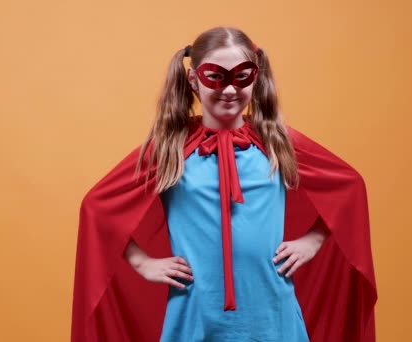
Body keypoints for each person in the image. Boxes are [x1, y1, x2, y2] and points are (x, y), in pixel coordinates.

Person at [71, 26, 377, 342]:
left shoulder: (276, 141)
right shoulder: (171, 147)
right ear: (193, 80)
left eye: (241, 76)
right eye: (216, 77)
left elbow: (348, 189)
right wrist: (142, 262)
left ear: (255, 79)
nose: (230, 90)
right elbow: (98, 208)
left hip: (272, 316)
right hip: (196, 316)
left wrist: (312, 240)